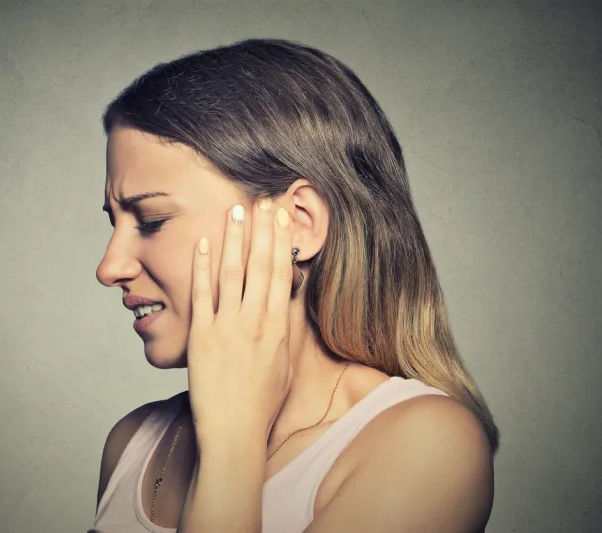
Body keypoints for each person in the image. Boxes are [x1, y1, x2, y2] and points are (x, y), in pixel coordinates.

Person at [91, 38, 498, 533]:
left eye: (152, 219)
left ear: (299, 222)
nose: (109, 267)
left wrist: (233, 442)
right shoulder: (134, 442)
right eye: (114, 223)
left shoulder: (425, 444)